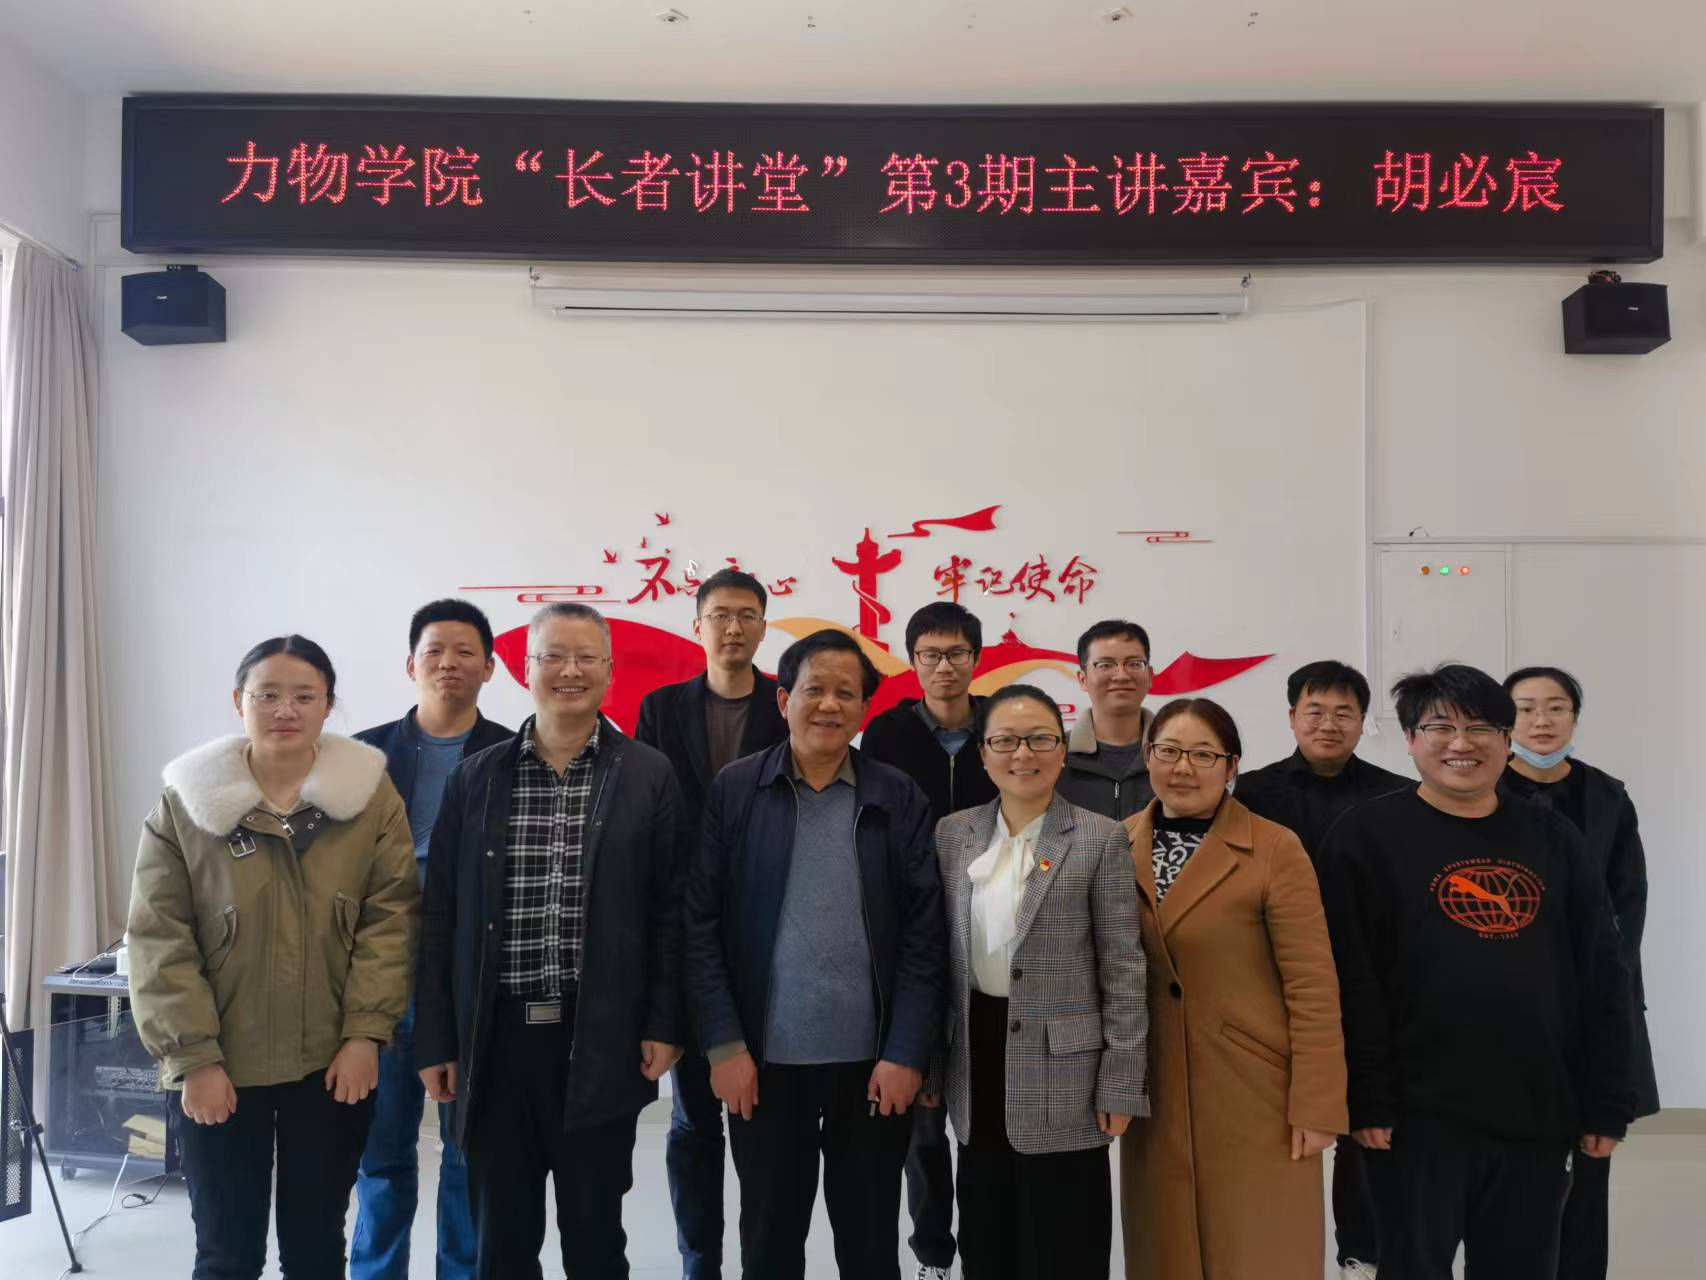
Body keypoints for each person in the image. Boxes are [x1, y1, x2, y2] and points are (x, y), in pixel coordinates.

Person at [1318, 664, 1635, 1280]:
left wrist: (1605, 1100)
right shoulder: (1365, 837)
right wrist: (1366, 1097)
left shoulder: (1552, 836)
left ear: (1506, 740)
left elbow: (1602, 973)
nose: (1461, 743)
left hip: (1534, 1111)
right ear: (1410, 740)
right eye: (1440, 727)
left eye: (1482, 727)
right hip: (1413, 1119)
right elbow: (1349, 980)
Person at [128, 635, 418, 1280]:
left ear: (328, 705)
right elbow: (158, 936)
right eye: (267, 695)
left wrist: (366, 1034)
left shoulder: (370, 799)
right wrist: (193, 1057)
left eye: (304, 696)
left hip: (332, 1060)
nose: (285, 709)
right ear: (239, 701)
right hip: (221, 1062)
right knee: (226, 1252)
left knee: (316, 1247)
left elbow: (390, 922)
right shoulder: (186, 804)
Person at [414, 603, 690, 1280]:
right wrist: (438, 1037)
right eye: (553, 656)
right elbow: (440, 915)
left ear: (609, 671)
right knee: (501, 1244)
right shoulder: (476, 776)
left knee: (595, 1237)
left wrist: (663, 1022)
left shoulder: (648, 774)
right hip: (496, 1042)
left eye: (586, 657)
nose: (570, 671)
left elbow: (670, 911)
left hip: (599, 1037)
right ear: (525, 668)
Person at [685, 628, 945, 1280]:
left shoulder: (897, 796)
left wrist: (906, 1052)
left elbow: (925, 937)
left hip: (874, 1067)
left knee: (870, 1245)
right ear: (783, 700)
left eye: (845, 693)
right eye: (814, 690)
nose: (829, 705)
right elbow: (701, 926)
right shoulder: (737, 790)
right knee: (768, 1243)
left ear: (863, 709)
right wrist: (723, 1045)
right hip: (763, 1065)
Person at [924, 684, 1147, 1280]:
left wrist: (1121, 1082)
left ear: (1062, 749)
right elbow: (937, 963)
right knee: (986, 1238)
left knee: (1064, 1246)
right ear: (983, 753)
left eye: (1040, 739)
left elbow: (1124, 969)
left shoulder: (1100, 837)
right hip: (975, 1059)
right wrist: (932, 1069)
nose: (1023, 754)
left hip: (1067, 1070)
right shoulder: (953, 836)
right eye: (1005, 740)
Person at [1120, 697, 1347, 1280]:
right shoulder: (1115, 845)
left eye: (1203, 754)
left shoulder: (1275, 848)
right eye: (1169, 751)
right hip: (1154, 1089)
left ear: (1232, 766)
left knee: (1258, 1252)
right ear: (1147, 756)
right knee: (1166, 1251)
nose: (1183, 767)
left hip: (1255, 1094)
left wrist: (1318, 1103)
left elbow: (1312, 985)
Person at [349, 599, 512, 1280]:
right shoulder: (363, 755)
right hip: (382, 974)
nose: (449, 663)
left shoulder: (512, 754)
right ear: (410, 664)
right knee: (381, 1154)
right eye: (435, 650)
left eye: (465, 651)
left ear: (490, 667)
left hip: (470, 977)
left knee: (469, 1151)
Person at [1231, 659, 1408, 1280]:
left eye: (1343, 713)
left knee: (1367, 1122)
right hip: (1276, 981)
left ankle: (1362, 1256)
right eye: (1315, 711)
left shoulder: (1395, 794)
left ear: (1362, 722)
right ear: (1291, 717)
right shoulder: (1251, 794)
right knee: (1281, 1127)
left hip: (1368, 981)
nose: (1329, 724)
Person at [635, 568, 788, 1280]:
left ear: (763, 628)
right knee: (694, 1122)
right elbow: (649, 815)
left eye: (747, 615)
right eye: (720, 614)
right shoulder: (661, 709)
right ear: (697, 626)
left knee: (761, 1125)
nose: (733, 627)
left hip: (768, 926)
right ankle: (700, 1262)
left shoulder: (785, 704)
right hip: (686, 928)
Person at [1499, 665, 1660, 1280]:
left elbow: (1629, 900)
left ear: (1574, 717)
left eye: (1556, 707)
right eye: (1526, 708)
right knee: (1510, 1164)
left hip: (1591, 1003)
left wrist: (1599, 981)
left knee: (1592, 1154)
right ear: (1504, 720)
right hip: (1509, 1002)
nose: (1541, 721)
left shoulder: (1608, 796)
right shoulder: (1484, 790)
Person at [860, 601, 999, 1280]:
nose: (945, 667)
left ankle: (989, 1249)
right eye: (930, 655)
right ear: (912, 661)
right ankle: (933, 1253)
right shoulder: (887, 733)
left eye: (957, 654)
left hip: (993, 928)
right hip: (910, 928)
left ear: (977, 659)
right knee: (921, 1113)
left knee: (984, 1111)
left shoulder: (1003, 724)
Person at [1058, 619, 1157, 820]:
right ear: (1083, 679)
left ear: (1149, 675)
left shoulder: (1175, 755)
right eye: (1105, 665)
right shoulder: (1054, 756)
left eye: (1133, 664)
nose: (1121, 675)